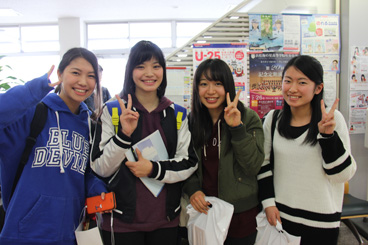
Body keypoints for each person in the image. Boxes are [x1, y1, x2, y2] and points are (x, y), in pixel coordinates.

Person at [90, 40, 198, 245]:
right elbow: (100, 168)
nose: (149, 73)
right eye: (141, 66)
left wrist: (152, 169)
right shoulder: (113, 111)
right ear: (130, 71)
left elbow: (189, 162)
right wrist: (123, 135)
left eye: (156, 66)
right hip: (120, 221)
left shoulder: (178, 114)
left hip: (166, 221)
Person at [0, 47, 107, 245]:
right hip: (24, 233)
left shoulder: (89, 125)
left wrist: (95, 187)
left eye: (91, 76)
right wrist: (33, 91)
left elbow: (79, 171)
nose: (83, 82)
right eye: (75, 73)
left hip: (69, 233)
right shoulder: (33, 114)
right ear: (60, 74)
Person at [257, 55, 357, 245]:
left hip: (321, 222)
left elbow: (341, 175)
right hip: (280, 218)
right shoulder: (273, 119)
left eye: (302, 82)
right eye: (288, 81)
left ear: (318, 88)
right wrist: (268, 203)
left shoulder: (332, 120)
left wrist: (328, 137)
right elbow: (264, 164)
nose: (293, 89)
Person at [183, 58, 265, 245]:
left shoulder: (248, 117)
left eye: (217, 84)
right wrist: (193, 189)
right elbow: (186, 161)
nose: (210, 91)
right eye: (204, 84)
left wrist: (237, 128)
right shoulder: (192, 122)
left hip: (240, 215)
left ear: (227, 86)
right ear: (197, 89)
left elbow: (253, 165)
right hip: (204, 211)